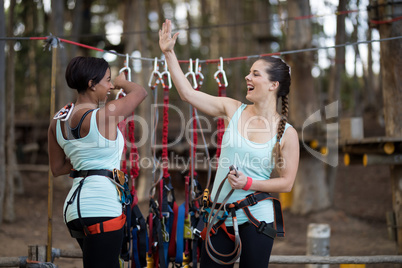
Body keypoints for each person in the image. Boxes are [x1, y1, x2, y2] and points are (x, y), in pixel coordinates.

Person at [159, 19, 299, 267]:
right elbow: (188, 94)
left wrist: (249, 182)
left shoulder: (287, 133)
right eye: (249, 72)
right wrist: (169, 53)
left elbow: (286, 183)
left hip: (258, 215)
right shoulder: (233, 108)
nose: (248, 76)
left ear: (273, 85)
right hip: (219, 212)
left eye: (255, 74)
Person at [47, 56, 147, 268]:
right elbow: (140, 92)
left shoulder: (58, 120)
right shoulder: (104, 115)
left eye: (113, 81)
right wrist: (122, 81)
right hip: (102, 206)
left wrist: (85, 162)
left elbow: (57, 168)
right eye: (108, 80)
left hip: (74, 209)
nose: (111, 86)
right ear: (92, 84)